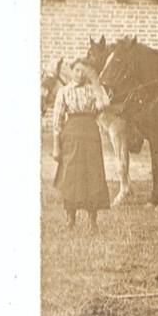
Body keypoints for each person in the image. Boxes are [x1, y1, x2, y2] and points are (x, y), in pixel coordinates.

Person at [52, 58, 112, 232]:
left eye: (83, 71)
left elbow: (105, 104)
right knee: (71, 175)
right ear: (71, 71)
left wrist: (95, 84)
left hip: (90, 133)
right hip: (71, 134)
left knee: (92, 175)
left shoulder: (92, 90)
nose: (79, 74)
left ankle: (93, 221)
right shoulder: (64, 92)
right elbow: (57, 121)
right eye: (77, 70)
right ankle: (70, 219)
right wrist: (56, 146)